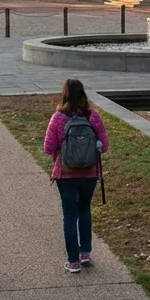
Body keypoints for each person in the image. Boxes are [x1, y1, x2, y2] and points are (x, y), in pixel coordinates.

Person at [42, 79, 110, 274]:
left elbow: (48, 148)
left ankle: (73, 261)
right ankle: (85, 253)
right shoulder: (93, 116)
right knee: (85, 210)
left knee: (69, 215)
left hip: (65, 173)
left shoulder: (58, 117)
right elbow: (104, 146)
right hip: (89, 173)